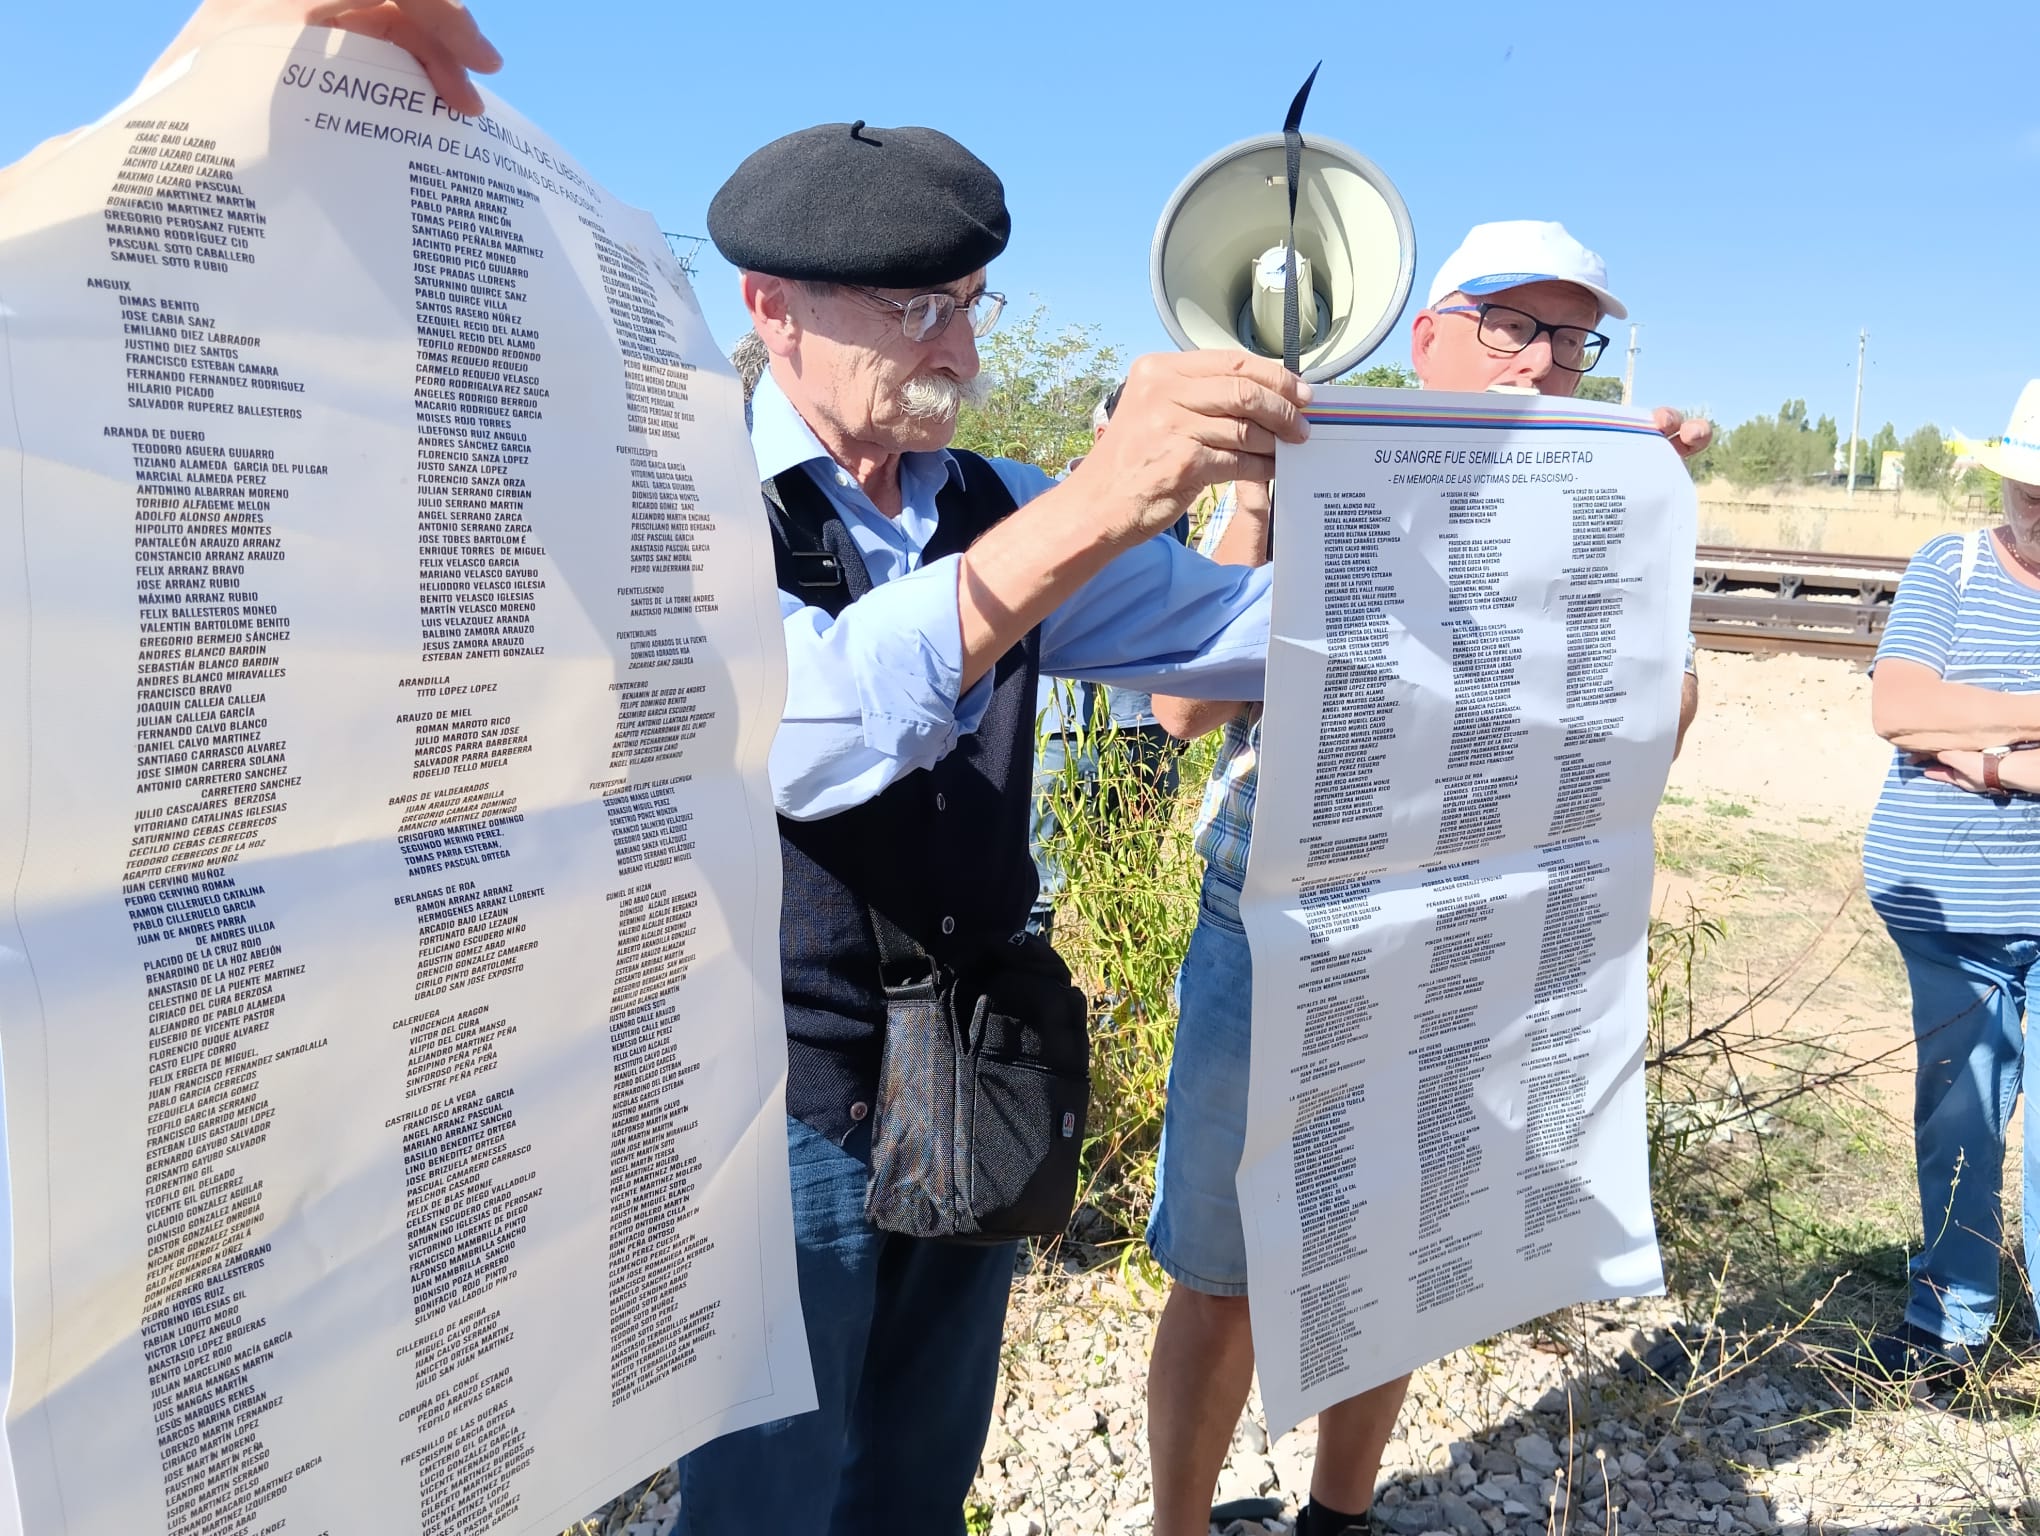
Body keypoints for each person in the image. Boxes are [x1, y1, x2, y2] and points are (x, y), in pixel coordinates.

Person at [682, 121, 1316, 1535]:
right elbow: (814, 734)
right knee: (762, 1494)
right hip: (769, 1093)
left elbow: (1235, 634)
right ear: (770, 307)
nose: (959, 353)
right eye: (917, 310)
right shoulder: (689, 502)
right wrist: (1095, 505)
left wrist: (1535, 501)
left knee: (918, 1472)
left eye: (973, 305)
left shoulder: (993, 503)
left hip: (970, 1066)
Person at [1144, 221, 1711, 1536]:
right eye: (1516, 324)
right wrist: (1256, 503)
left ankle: (1339, 1516)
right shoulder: (1325, 456)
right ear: (1431, 335)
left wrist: (1652, 537)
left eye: (1573, 336)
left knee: (1394, 1249)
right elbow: (1178, 710)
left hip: (1477, 919)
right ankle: (1176, 1524)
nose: (1547, 361)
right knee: (1223, 1265)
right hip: (1281, 912)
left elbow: (1658, 729)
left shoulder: (1604, 481)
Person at [1859, 378, 2040, 1385]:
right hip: (1945, 906)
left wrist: (1982, 753)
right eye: (2031, 486)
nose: (2039, 506)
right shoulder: (1955, 565)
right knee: (1959, 1117)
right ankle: (1951, 1327)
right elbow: (1898, 704)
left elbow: (1937, 718)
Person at [1027, 381, 1193, 939]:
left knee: (1132, 870)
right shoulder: (1051, 499)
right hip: (1066, 731)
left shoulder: (1178, 510)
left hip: (1144, 724)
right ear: (1103, 436)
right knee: (1036, 882)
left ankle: (1124, 1003)